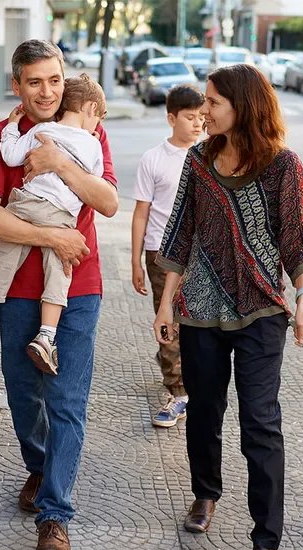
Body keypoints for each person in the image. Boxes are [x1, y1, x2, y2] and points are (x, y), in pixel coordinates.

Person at [153, 65, 303, 550]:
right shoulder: (199, 159)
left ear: (242, 106)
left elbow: (297, 240)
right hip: (200, 309)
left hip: (263, 312)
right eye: (203, 101)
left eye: (214, 102)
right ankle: (206, 492)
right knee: (204, 408)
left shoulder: (283, 166)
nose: (204, 111)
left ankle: (265, 541)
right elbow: (179, 231)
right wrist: (166, 302)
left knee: (261, 423)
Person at [0, 40, 118, 550]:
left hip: (78, 289)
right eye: (35, 82)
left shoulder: (88, 133)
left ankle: (55, 516)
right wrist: (54, 237)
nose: (48, 91)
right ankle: (40, 465)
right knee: (21, 395)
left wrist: (61, 162)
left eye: (54, 80)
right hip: (15, 293)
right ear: (17, 85)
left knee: (68, 402)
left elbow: (108, 201)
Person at [0, 74, 106, 376]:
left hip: (27, 204)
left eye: (54, 80)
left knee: (6, 254)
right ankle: (46, 335)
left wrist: (11, 128)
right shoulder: (94, 143)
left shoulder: (44, 130)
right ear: (89, 109)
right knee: (58, 271)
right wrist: (86, 151)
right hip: (59, 215)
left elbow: (11, 155)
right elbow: (98, 186)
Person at [131, 84, 205, 428]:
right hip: (160, 252)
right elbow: (141, 213)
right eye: (190, 118)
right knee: (168, 321)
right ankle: (178, 392)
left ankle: (190, 378)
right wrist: (135, 262)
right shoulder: (154, 158)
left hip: (202, 254)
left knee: (196, 324)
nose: (197, 124)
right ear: (171, 118)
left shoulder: (209, 155)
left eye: (202, 118)